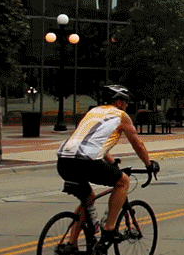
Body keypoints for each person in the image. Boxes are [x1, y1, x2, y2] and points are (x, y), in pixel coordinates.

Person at [56, 85, 158, 244]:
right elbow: (138, 144)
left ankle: (71, 244)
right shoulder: (120, 116)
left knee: (88, 198)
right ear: (118, 102)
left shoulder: (93, 112)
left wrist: (111, 162)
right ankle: (109, 228)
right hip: (86, 162)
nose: (127, 105)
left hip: (64, 161)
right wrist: (149, 164)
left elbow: (90, 141)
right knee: (123, 182)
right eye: (125, 102)